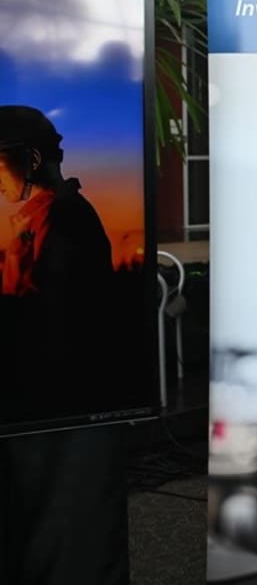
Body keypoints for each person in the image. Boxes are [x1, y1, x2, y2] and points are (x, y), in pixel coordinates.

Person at [0, 105, 129, 584]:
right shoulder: (38, 216)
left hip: (56, 406)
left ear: (30, 158)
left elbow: (49, 316)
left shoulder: (64, 217)